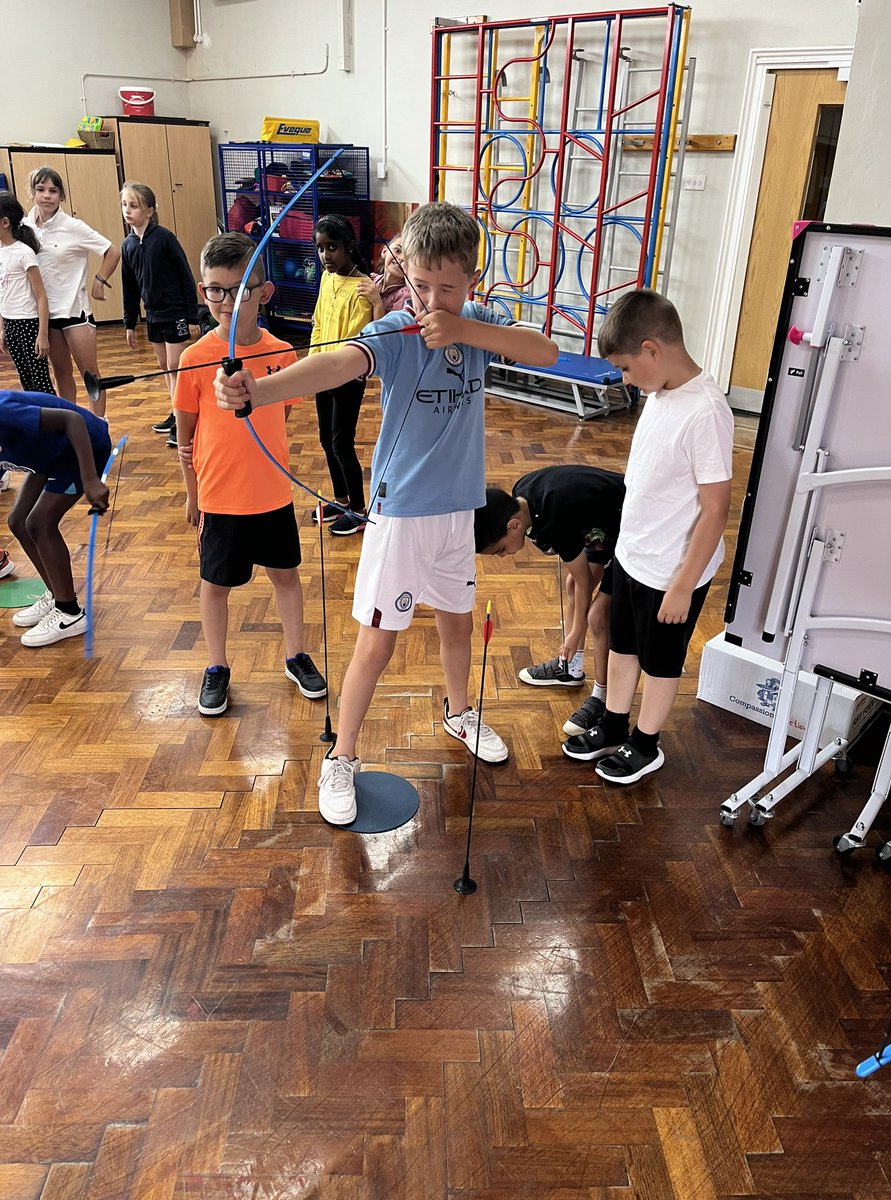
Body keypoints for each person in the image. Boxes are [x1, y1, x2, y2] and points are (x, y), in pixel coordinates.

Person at [214, 201, 558, 825]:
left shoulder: (475, 323)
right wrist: (258, 390)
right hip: (402, 515)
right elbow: (338, 363)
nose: (429, 301)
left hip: (460, 512)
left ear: (471, 281)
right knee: (378, 643)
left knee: (456, 624)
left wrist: (465, 329)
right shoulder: (397, 333)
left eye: (446, 289)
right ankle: (341, 757)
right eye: (420, 286)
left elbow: (546, 352)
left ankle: (458, 712)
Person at [561, 289, 733, 784]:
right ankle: (614, 725)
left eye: (626, 367)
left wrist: (683, 584)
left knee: (660, 661)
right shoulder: (659, 394)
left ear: (653, 350)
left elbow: (715, 509)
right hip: (635, 557)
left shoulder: (707, 411)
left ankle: (646, 743)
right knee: (622, 645)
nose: (624, 378)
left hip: (672, 573)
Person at [173, 232, 326, 718]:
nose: (225, 300)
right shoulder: (194, 358)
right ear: (203, 292)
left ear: (265, 292)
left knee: (286, 577)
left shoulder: (282, 351)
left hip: (272, 492)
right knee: (214, 586)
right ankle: (216, 666)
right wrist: (192, 494)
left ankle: (296, 655)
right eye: (215, 289)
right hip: (219, 497)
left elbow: (278, 418)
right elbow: (186, 437)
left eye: (239, 288)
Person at [474, 464, 626, 735]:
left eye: (500, 550)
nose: (503, 556)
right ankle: (571, 667)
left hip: (631, 524)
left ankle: (603, 698)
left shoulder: (556, 516)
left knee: (598, 616)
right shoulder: (521, 494)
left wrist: (575, 633)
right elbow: (578, 577)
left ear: (514, 525)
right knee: (572, 585)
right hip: (597, 520)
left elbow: (584, 582)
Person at [1, 389, 110, 646]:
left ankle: (70, 612)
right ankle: (55, 594)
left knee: (39, 523)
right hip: (47, 455)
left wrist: (91, 479)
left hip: (82, 447)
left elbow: (72, 420)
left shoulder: (4, 412)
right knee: (18, 522)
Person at [23, 167, 120, 418]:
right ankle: (72, 427)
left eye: (53, 190)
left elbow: (112, 251)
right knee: (61, 373)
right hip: (46, 316)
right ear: (32, 193)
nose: (47, 196)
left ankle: (100, 426)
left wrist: (100, 280)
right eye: (41, 190)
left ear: (61, 195)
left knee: (90, 375)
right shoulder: (23, 228)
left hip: (75, 312)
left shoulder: (73, 226)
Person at [308, 214, 373, 536]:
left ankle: (359, 510)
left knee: (341, 443)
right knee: (325, 440)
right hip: (323, 373)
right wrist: (313, 364)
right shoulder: (327, 278)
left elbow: (355, 337)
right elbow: (319, 322)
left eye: (332, 247)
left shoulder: (362, 287)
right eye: (320, 248)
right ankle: (341, 499)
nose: (325, 256)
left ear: (348, 246)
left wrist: (330, 367)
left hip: (346, 377)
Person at [120, 182, 198, 445]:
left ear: (149, 211)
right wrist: (130, 322)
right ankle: (175, 413)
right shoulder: (128, 245)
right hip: (152, 316)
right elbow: (129, 287)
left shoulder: (164, 238)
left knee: (176, 368)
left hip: (174, 312)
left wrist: (192, 317)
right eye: (125, 205)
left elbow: (186, 278)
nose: (128, 211)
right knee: (165, 368)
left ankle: (182, 420)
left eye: (134, 206)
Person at [0, 191, 53, 394]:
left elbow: (41, 296)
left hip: (28, 323)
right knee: (26, 382)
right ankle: (38, 423)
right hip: (11, 323)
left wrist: (43, 335)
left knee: (41, 384)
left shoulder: (24, 253)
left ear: (5, 222)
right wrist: (3, 329)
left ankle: (57, 422)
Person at [356, 235, 411, 320]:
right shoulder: (371, 279)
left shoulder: (406, 295)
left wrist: (377, 303)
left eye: (408, 257)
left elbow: (387, 331)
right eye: (398, 250)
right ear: (384, 251)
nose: (401, 258)